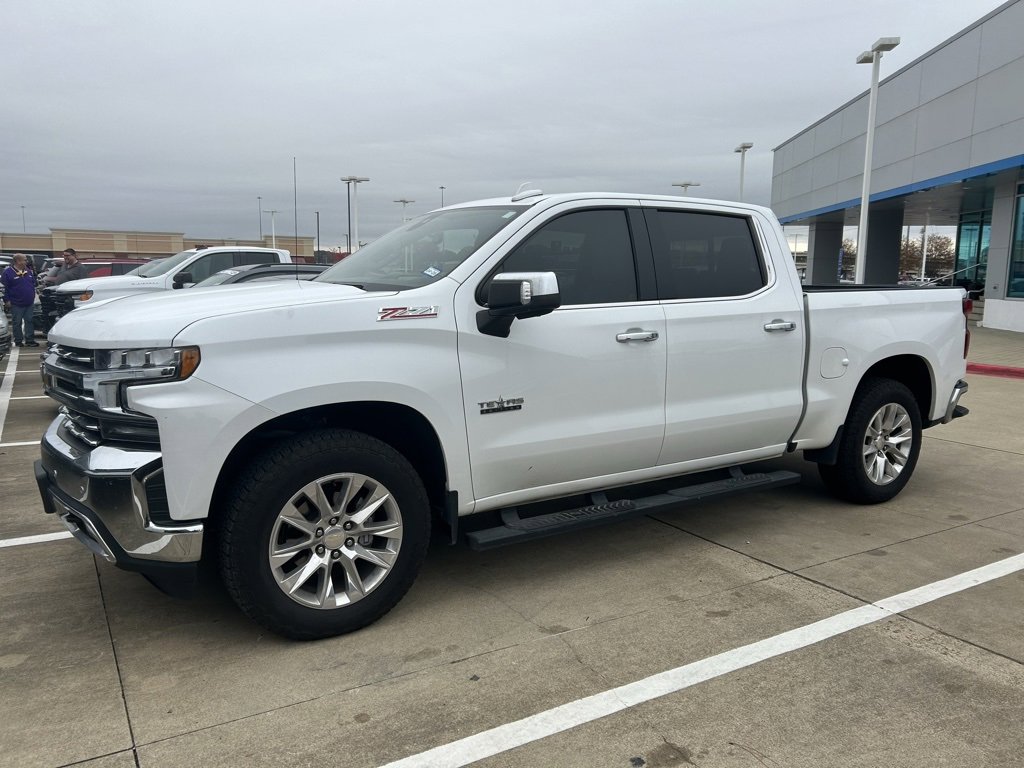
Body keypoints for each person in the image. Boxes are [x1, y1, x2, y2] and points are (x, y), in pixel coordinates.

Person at [1, 253, 39, 347]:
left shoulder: (28, 271)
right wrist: (7, 300)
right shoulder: (7, 272)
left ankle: (30, 340)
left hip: (29, 302)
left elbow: (33, 283)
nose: (26, 261)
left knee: (29, 321)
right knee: (17, 322)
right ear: (18, 261)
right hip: (16, 303)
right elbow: (4, 288)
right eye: (25, 260)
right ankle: (18, 340)